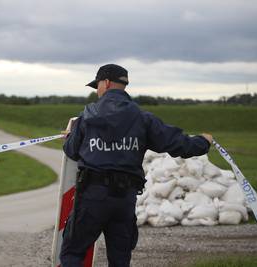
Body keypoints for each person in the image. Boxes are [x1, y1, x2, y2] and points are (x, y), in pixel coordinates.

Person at [60, 64, 212, 267]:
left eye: (97, 85)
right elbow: (177, 144)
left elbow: (71, 150)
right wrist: (204, 141)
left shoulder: (87, 115)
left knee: (73, 254)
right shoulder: (142, 117)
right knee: (120, 259)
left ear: (105, 83)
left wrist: (70, 136)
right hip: (124, 199)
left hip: (92, 197)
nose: (97, 91)